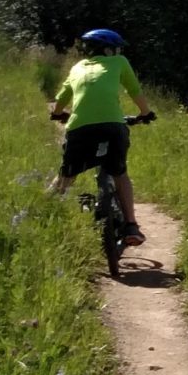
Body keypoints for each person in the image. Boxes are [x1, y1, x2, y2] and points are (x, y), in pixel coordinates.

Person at [46, 28, 155, 246]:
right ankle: (131, 226)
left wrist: (58, 114)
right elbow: (134, 91)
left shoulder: (77, 68)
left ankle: (42, 210)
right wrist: (146, 114)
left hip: (80, 130)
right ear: (108, 50)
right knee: (120, 173)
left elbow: (61, 100)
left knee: (66, 176)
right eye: (116, 49)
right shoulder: (120, 62)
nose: (118, 52)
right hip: (113, 127)